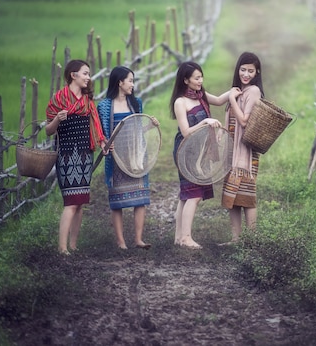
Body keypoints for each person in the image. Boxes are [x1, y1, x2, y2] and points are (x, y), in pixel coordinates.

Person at [46, 59, 108, 255]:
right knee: (71, 202)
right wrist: (57, 118)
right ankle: (62, 248)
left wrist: (103, 143)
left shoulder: (88, 101)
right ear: (73, 75)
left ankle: (73, 245)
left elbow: (97, 127)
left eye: (89, 74)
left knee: (80, 202)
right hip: (65, 155)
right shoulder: (58, 99)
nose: (88, 78)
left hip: (84, 155)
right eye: (85, 73)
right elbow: (48, 131)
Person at [169, 61, 231, 249]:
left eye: (201, 77)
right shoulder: (181, 102)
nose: (200, 81)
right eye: (196, 78)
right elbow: (186, 131)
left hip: (201, 151)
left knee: (185, 195)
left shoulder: (200, 95)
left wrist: (237, 90)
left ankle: (179, 237)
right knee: (193, 195)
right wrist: (206, 122)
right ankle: (186, 237)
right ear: (186, 80)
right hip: (186, 151)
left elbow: (220, 100)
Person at [97, 66, 157, 250]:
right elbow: (102, 133)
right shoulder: (105, 106)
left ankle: (138, 239)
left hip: (135, 156)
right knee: (117, 201)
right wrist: (105, 143)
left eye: (133, 80)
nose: (132, 84)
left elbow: (137, 129)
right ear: (119, 82)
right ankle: (121, 241)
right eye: (130, 80)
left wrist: (150, 125)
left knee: (141, 198)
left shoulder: (136, 103)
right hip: (116, 158)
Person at [220, 52, 264, 244]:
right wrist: (188, 84)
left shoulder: (252, 91)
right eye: (243, 69)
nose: (246, 74)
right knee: (233, 196)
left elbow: (244, 121)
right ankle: (236, 239)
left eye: (250, 71)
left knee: (247, 195)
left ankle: (251, 239)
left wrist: (231, 99)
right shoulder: (238, 89)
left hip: (245, 151)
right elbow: (214, 99)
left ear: (257, 72)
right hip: (231, 150)